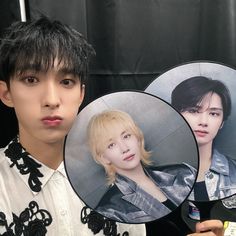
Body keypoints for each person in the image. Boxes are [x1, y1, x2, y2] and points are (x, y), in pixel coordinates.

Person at [0, 17, 146, 235]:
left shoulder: (115, 174)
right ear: (6, 93)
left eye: (66, 82)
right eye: (31, 79)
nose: (51, 99)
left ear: (81, 94)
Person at [87, 109, 196, 223]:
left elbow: (200, 215)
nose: (125, 148)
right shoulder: (109, 211)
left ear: (137, 139)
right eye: (111, 145)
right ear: (103, 157)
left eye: (126, 136)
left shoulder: (185, 174)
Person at [171, 76, 236, 201]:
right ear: (176, 115)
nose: (204, 122)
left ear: (222, 122)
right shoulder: (159, 176)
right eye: (194, 111)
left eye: (213, 113)